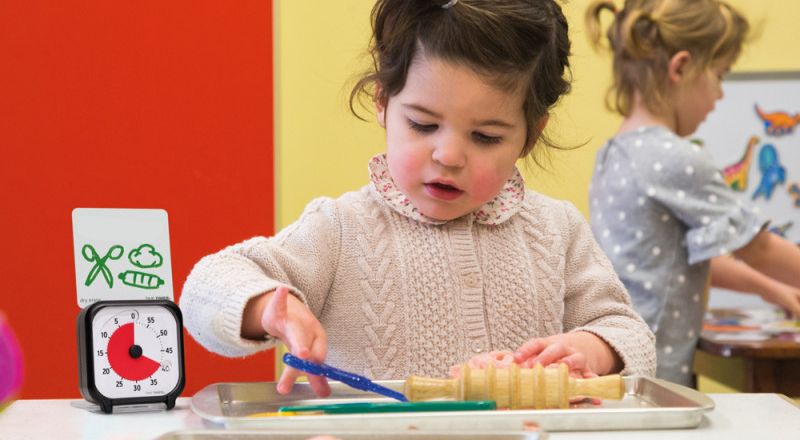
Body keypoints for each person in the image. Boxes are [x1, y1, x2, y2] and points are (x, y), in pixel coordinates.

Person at [181, 0, 656, 398]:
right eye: (423, 125)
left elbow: (630, 331)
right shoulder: (341, 227)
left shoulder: (557, 229)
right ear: (383, 103)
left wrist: (591, 348)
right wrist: (266, 307)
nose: (448, 155)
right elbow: (205, 285)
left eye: (486, 136)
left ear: (530, 137)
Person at [586, 0, 800, 386]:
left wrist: (769, 287)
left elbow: (673, 257)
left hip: (621, 365)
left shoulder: (615, 153)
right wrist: (769, 273)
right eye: (719, 75)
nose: (719, 95)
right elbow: (759, 248)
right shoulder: (673, 159)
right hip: (656, 371)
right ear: (681, 67)